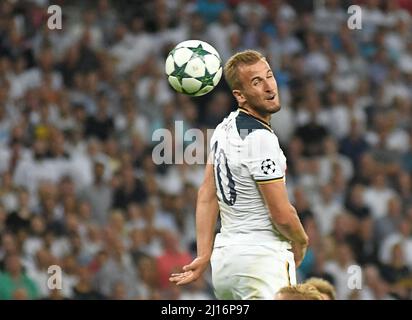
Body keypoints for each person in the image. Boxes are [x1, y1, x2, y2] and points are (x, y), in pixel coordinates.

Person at [169, 50, 308, 299]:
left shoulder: (223, 130)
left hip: (226, 266)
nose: (269, 87)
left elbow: (206, 195)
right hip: (261, 261)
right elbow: (281, 213)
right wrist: (301, 240)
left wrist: (203, 254)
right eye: (256, 82)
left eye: (269, 76)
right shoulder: (261, 139)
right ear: (239, 95)